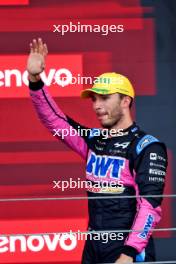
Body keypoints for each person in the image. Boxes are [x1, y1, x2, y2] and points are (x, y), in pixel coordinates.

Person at [27, 38, 168, 263]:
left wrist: (130, 252)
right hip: (93, 245)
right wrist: (35, 81)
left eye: (104, 98)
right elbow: (55, 120)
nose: (96, 106)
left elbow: (150, 205)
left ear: (125, 101)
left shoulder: (147, 147)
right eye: (94, 99)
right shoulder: (94, 140)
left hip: (127, 248)